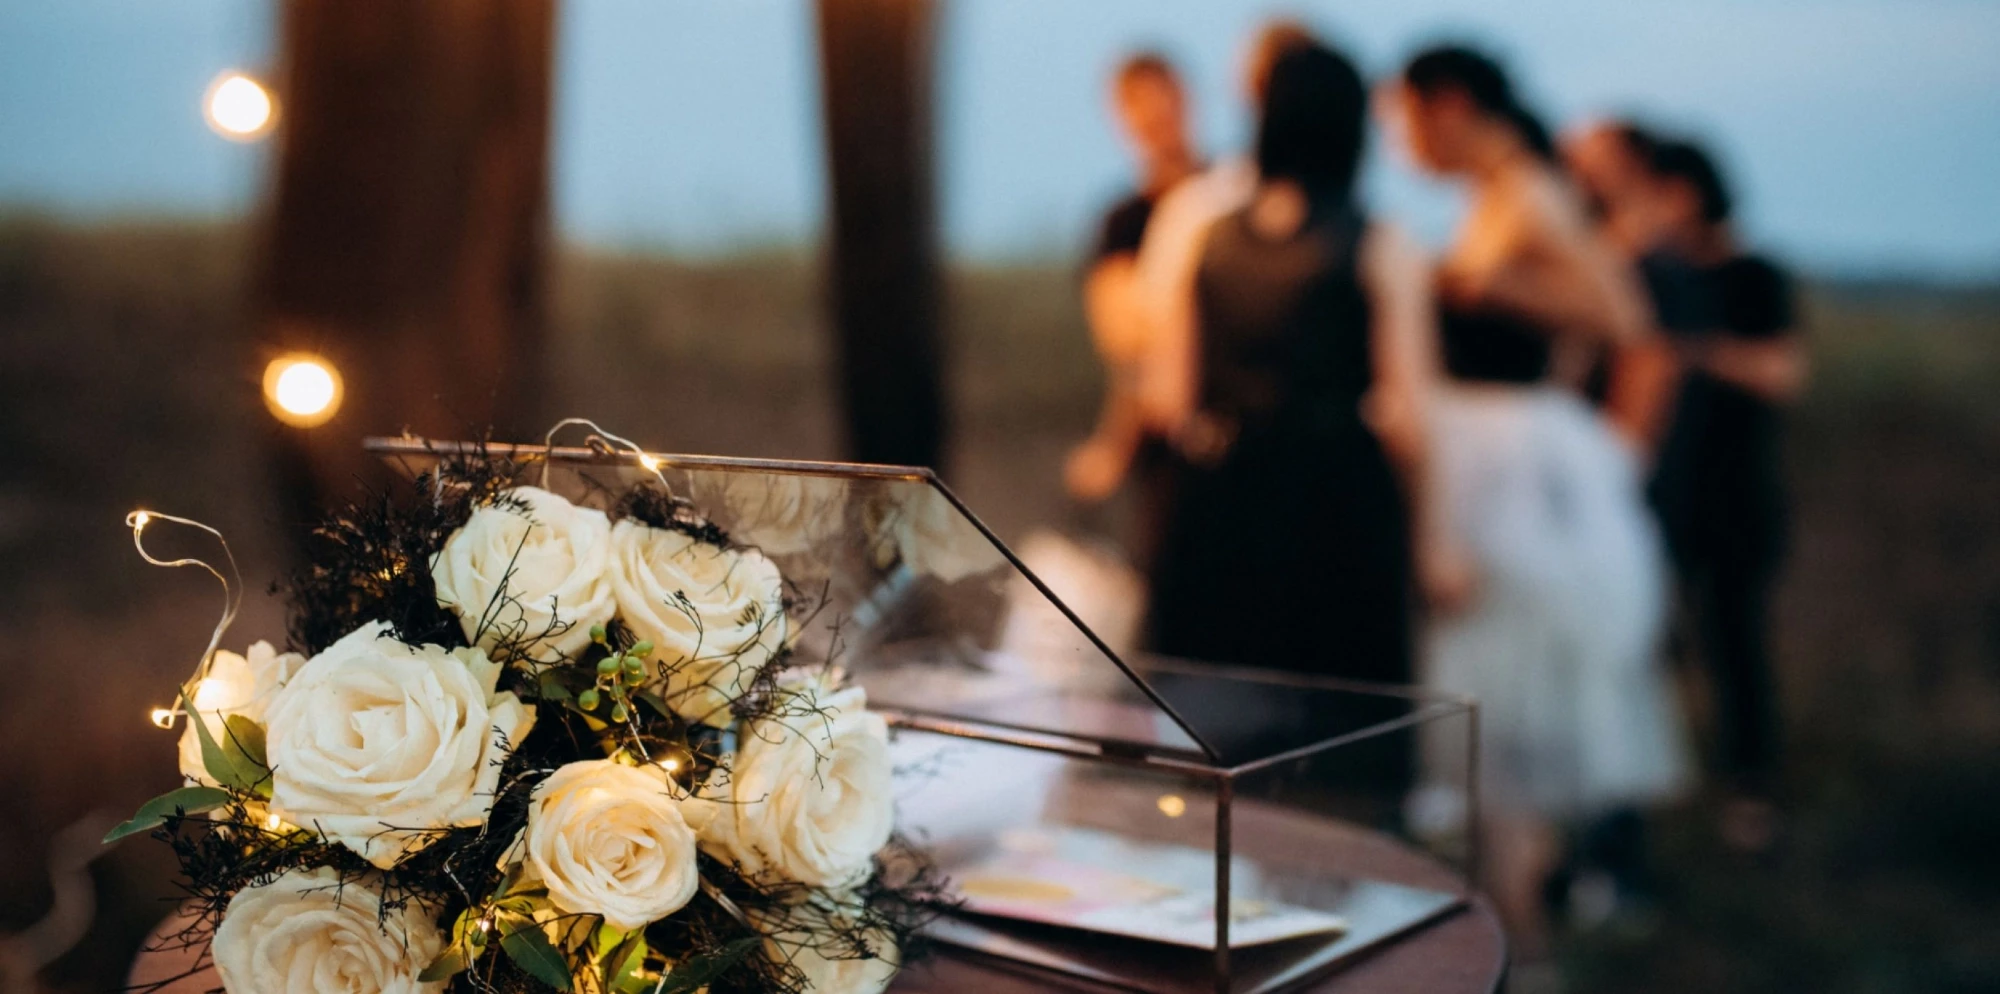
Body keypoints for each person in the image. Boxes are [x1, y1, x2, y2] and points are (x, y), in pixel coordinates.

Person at [1389, 44, 1690, 956]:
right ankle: (1508, 935)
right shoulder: (1494, 198)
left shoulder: (1529, 193)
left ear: (1446, 106)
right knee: (1491, 728)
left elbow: (1622, 318)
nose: (1398, 142)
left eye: (1399, 118)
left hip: (1509, 480)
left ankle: (1515, 946)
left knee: (1502, 725)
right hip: (1488, 463)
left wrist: (1493, 287)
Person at [1143, 41, 1457, 702]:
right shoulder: (1380, 242)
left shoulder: (1204, 235)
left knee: (1216, 714)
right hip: (1338, 499)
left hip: (1219, 496)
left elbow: (1168, 398)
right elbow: (1410, 418)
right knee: (1340, 720)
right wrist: (1433, 542)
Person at [1639, 138, 1806, 852]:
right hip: (1665, 490)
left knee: (1736, 644)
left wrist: (1696, 353)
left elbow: (1782, 372)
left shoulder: (1754, 274)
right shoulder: (1654, 274)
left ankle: (1750, 789)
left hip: (1736, 489)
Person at [1065, 53, 1203, 509]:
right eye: (1136, 105)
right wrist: (1116, 445)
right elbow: (1128, 348)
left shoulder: (1228, 197)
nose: (1154, 116)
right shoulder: (1122, 224)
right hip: (1166, 442)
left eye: (1162, 100)